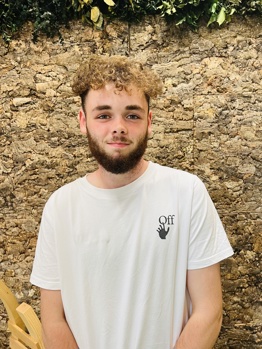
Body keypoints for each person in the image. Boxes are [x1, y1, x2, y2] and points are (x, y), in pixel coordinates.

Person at [30, 55, 233, 349]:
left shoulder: (186, 193)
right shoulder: (61, 207)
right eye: (103, 115)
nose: (119, 127)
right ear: (82, 121)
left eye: (132, 115)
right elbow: (53, 322)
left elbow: (208, 311)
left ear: (149, 122)